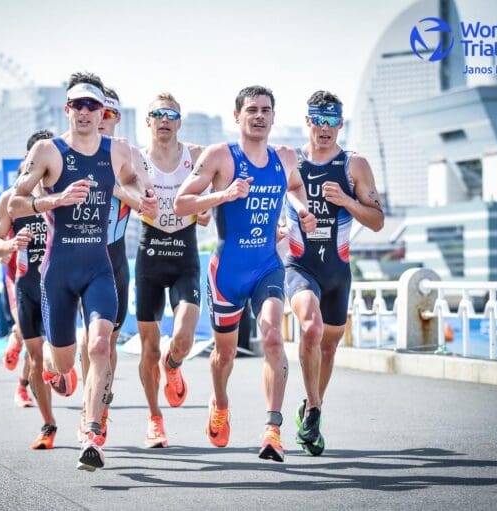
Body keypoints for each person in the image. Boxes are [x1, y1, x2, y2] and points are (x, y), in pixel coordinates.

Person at [8, 72, 156, 471]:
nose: (87, 112)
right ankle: (63, 376)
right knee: (63, 364)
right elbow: (13, 206)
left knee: (101, 344)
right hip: (57, 272)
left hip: (98, 267)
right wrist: (53, 201)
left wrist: (146, 197)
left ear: (103, 111)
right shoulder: (47, 151)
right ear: (67, 109)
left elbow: (137, 185)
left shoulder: (119, 150)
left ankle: (92, 434)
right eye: (79, 105)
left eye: (95, 106)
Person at [174, 86, 315, 462]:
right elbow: (181, 202)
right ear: (237, 116)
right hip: (227, 273)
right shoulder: (220, 156)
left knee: (272, 337)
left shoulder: (284, 157)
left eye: (266, 110)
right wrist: (224, 195)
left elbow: (296, 187)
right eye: (251, 110)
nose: (259, 116)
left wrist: (299, 211)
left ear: (273, 116)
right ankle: (219, 402)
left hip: (267, 265)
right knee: (224, 355)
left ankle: (272, 428)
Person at [284, 90, 384, 456]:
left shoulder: (353, 166)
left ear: (341, 123)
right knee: (309, 327)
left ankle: (313, 408)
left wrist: (346, 201)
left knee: (328, 348)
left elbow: (377, 221)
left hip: (338, 271)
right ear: (307, 121)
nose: (324, 128)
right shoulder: (289, 160)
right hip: (300, 265)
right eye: (318, 120)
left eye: (331, 121)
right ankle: (312, 411)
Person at [136, 92, 210, 448]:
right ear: (148, 121)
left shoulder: (196, 155)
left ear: (179, 122)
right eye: (157, 114)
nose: (164, 120)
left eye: (171, 115)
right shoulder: (135, 158)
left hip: (184, 254)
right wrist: (135, 200)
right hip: (149, 254)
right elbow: (117, 190)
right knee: (148, 349)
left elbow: (217, 186)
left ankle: (175, 365)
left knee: (183, 336)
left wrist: (208, 207)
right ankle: (155, 419)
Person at [0, 129, 59, 450]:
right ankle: (48, 423)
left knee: (61, 359)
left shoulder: (66, 191)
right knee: (36, 354)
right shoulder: (11, 199)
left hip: (61, 286)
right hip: (26, 284)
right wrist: (9, 244)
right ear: (29, 161)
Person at [74, 87, 140, 447]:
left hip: (113, 259)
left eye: (109, 114)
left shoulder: (126, 155)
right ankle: (90, 414)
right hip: (76, 258)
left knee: (105, 343)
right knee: (86, 341)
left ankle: (98, 410)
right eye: (93, 110)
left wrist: (115, 187)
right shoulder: (66, 151)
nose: (101, 119)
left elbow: (147, 203)